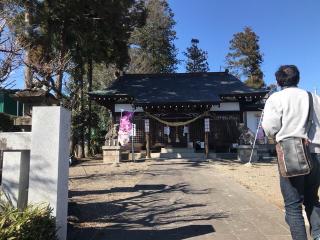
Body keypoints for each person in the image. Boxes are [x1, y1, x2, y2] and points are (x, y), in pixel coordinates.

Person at [262, 65, 320, 240]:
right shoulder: (314, 97)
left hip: (291, 154)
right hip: (316, 153)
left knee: (293, 206)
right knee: (312, 200)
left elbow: (270, 128)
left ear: (279, 81)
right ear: (298, 78)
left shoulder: (276, 98)